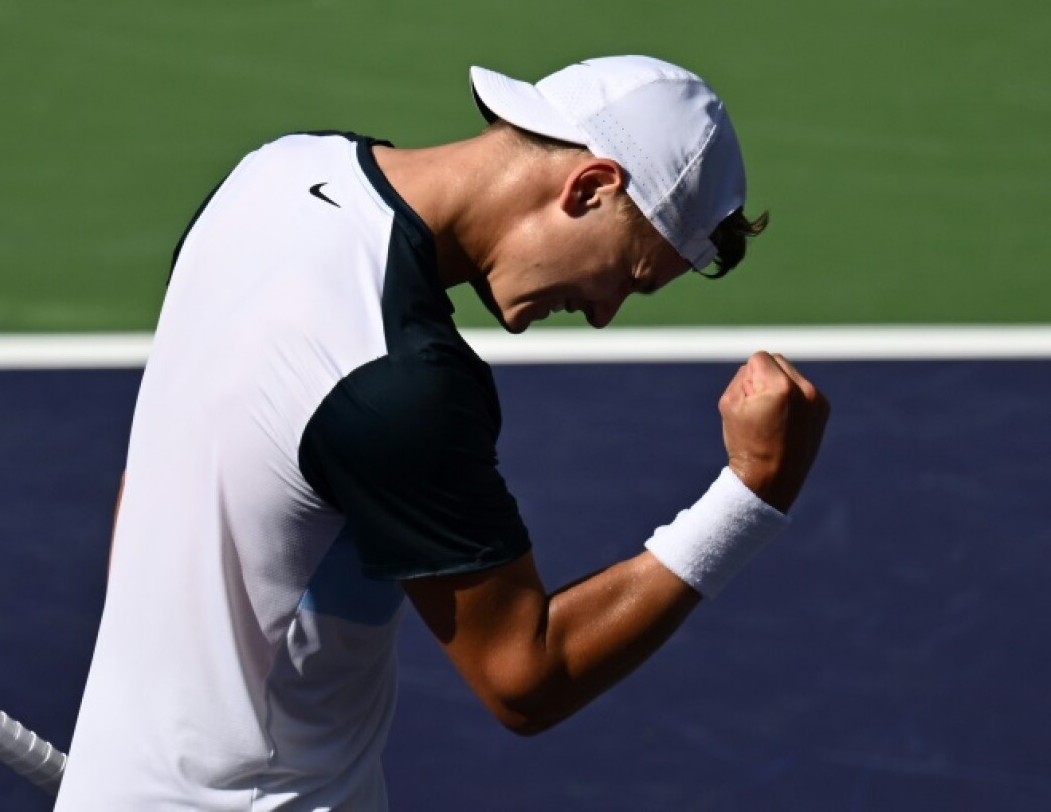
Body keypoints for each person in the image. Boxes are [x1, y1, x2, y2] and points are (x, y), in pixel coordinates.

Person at [55, 55, 829, 810]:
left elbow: (157, 480)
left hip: (115, 777)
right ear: (591, 186)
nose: (602, 314)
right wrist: (754, 491)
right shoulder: (398, 379)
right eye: (628, 276)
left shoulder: (270, 176)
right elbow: (527, 679)